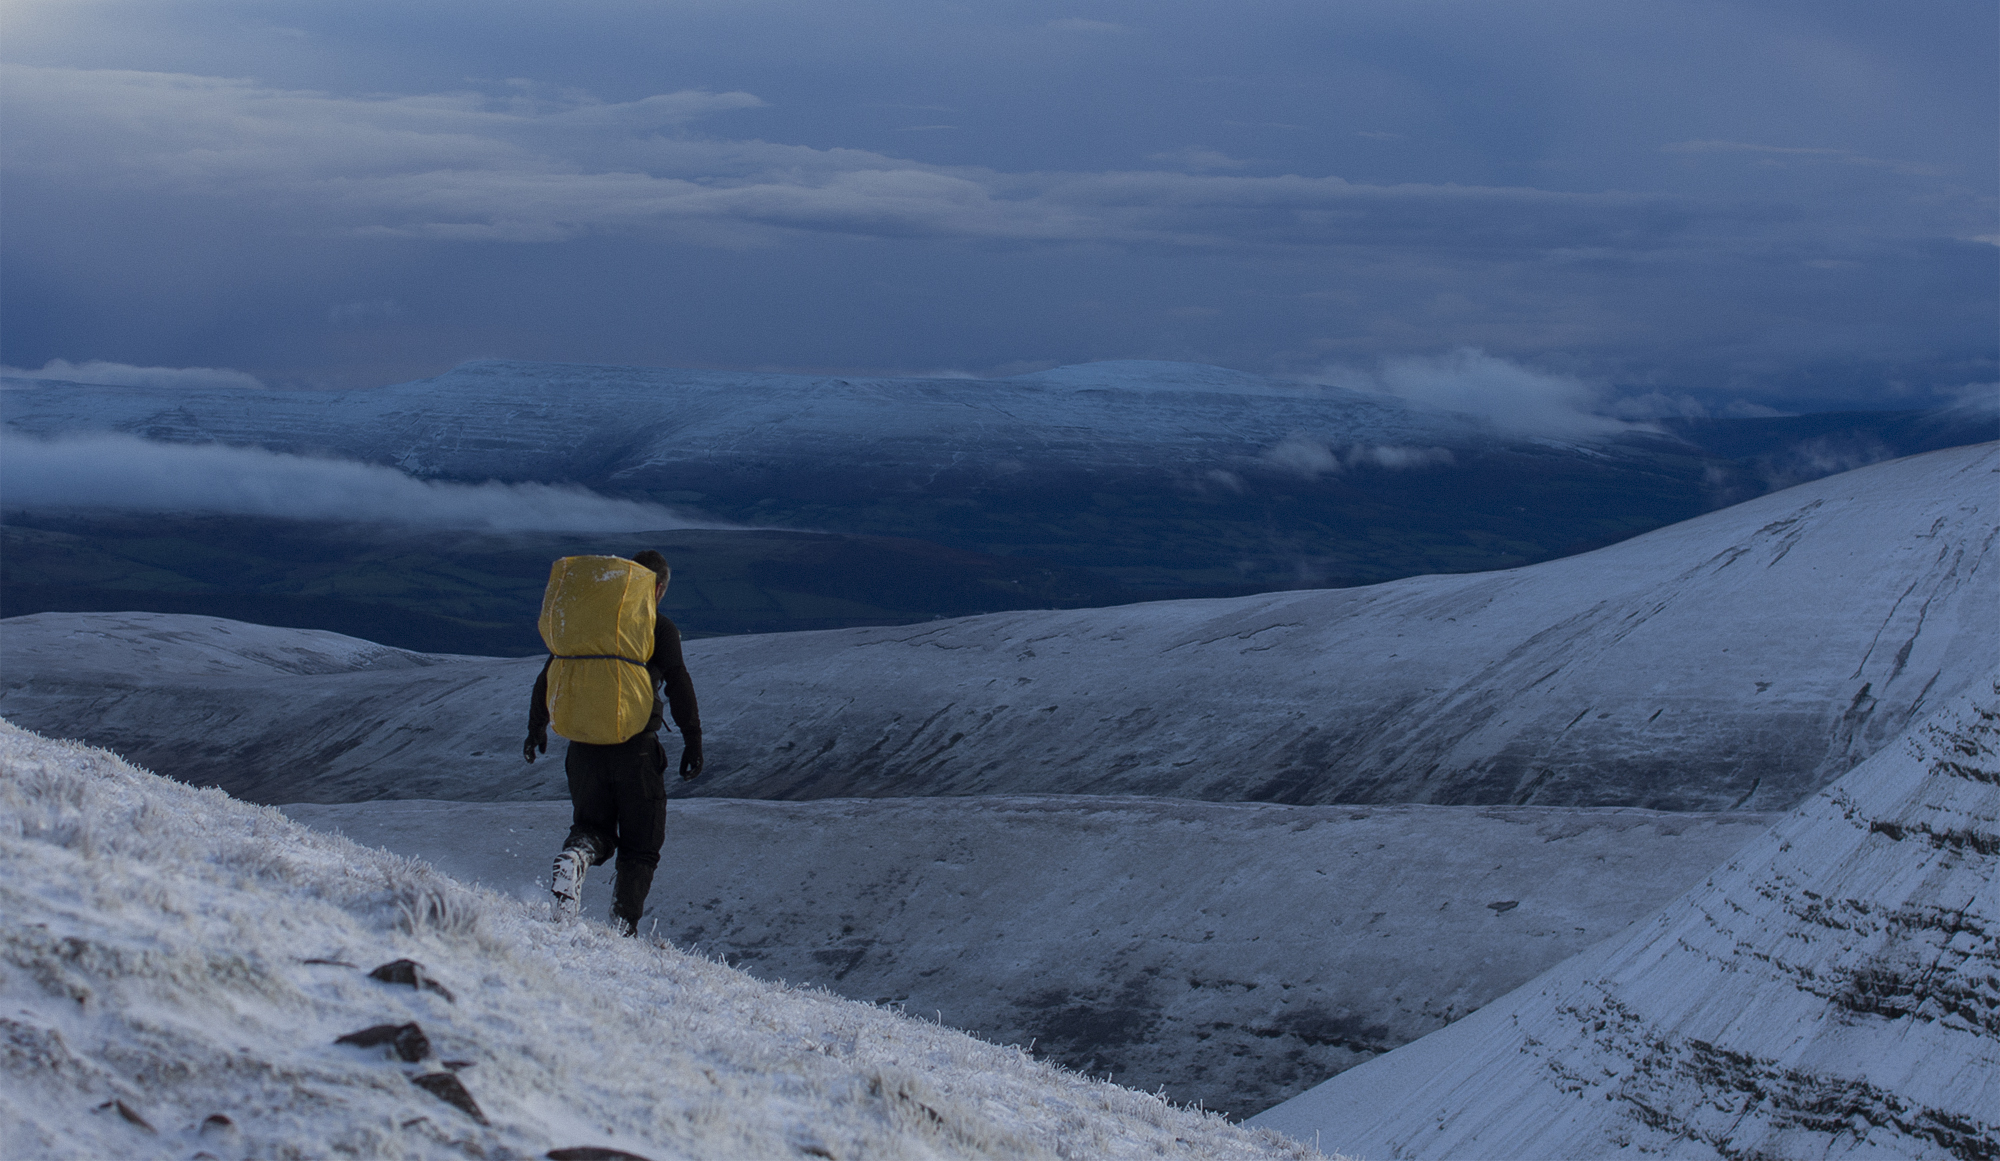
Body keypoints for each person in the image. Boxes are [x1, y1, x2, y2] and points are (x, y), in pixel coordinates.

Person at [523, 549, 703, 936]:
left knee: (592, 828)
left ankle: (576, 856)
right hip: (635, 752)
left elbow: (550, 674)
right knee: (641, 846)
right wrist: (693, 741)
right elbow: (679, 683)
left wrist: (536, 727)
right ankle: (621, 929)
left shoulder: (588, 627)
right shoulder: (657, 627)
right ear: (656, 588)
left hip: (583, 750)